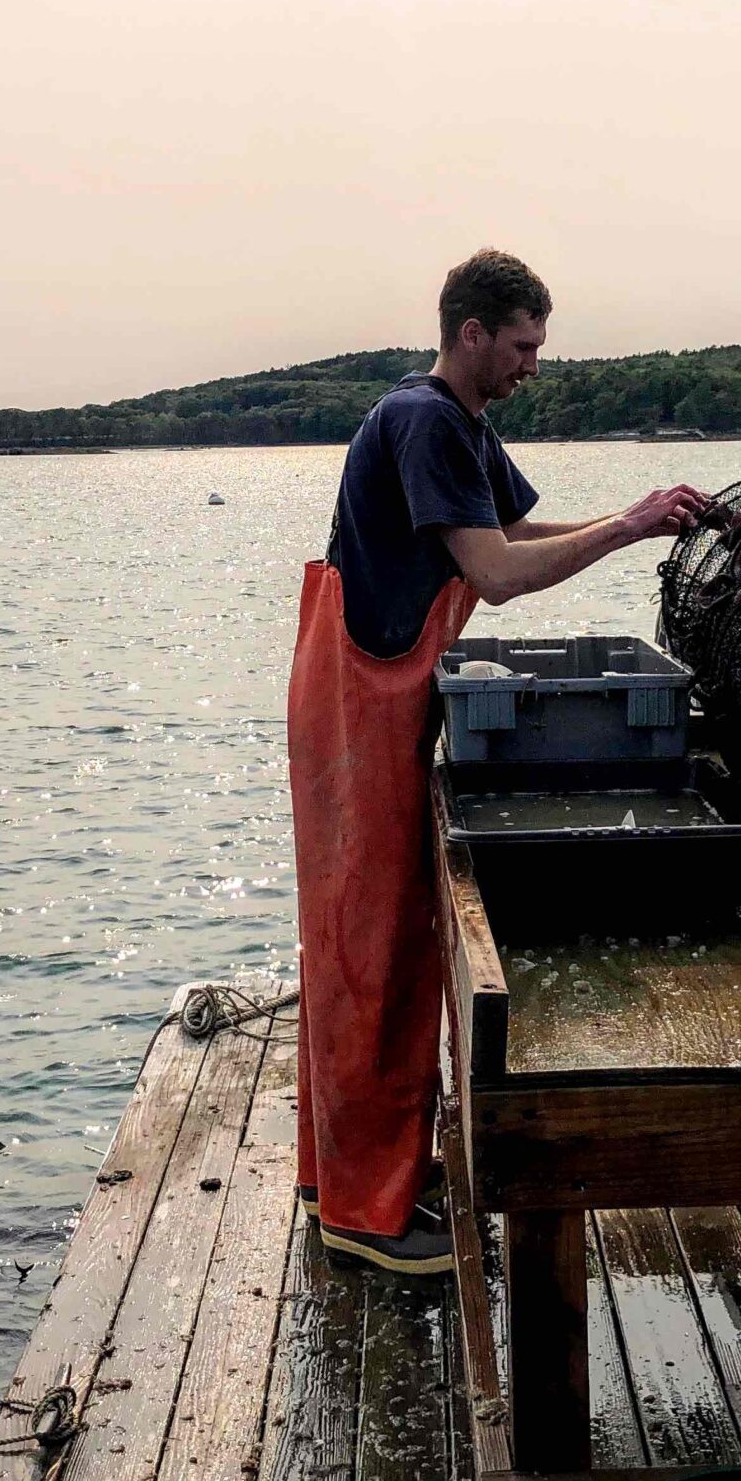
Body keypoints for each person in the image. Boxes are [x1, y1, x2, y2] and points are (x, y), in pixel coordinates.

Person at [286, 248, 706, 1274]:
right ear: (470, 332)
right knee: (371, 949)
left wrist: (634, 522)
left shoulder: (461, 424)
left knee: (385, 939)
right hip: (359, 692)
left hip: (379, 686)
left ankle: (343, 1173)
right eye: (521, 345)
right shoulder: (422, 417)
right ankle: (363, 1215)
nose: (532, 365)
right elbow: (500, 575)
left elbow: (515, 528)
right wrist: (630, 526)